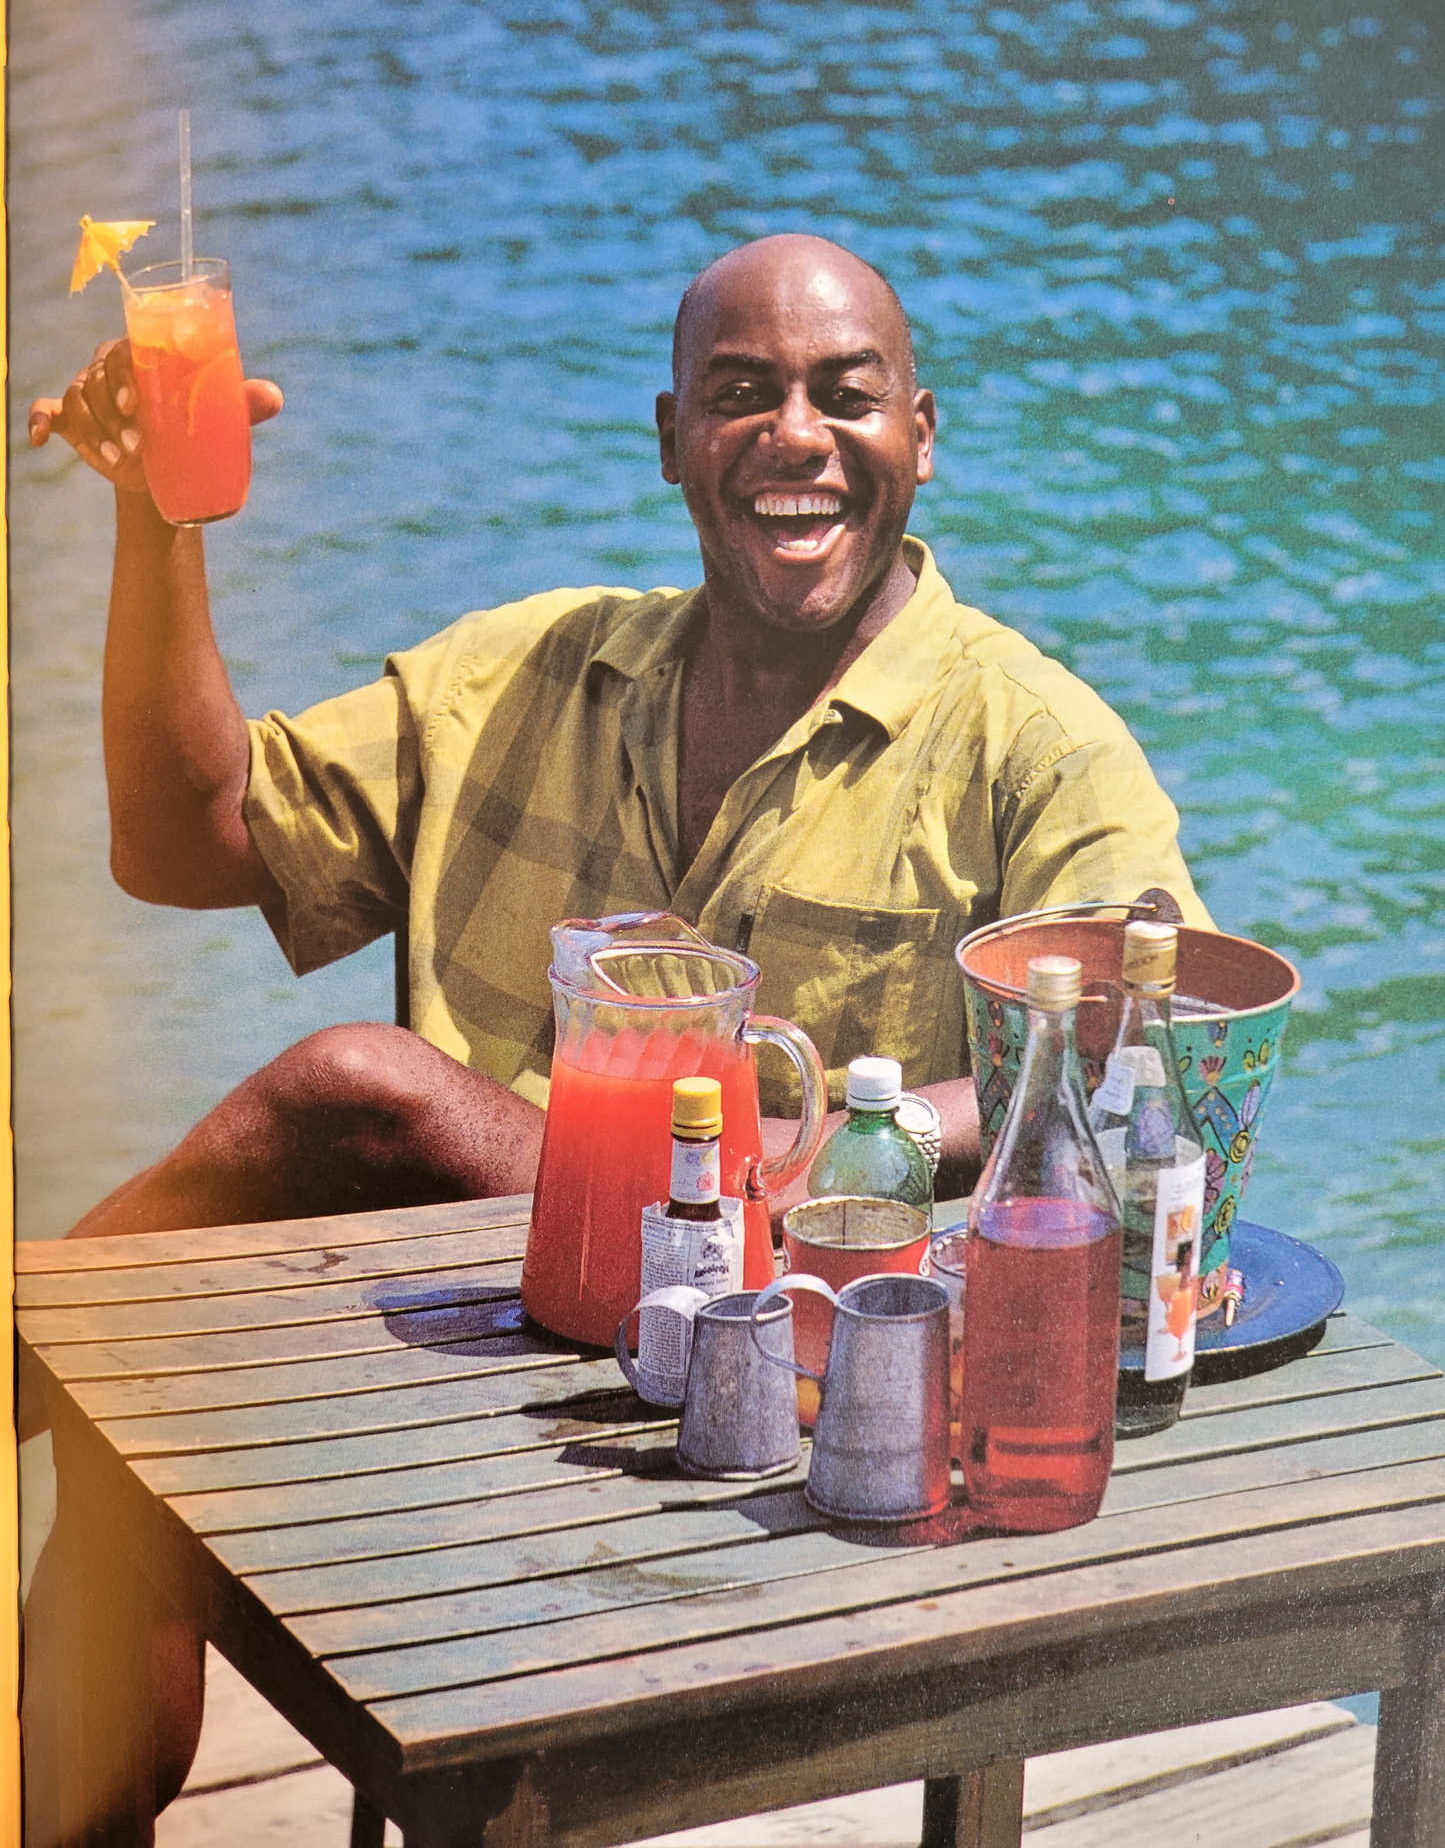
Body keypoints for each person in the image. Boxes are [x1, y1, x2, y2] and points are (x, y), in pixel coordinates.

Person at [24, 233, 1211, 1838]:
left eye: (846, 394)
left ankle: (25, 1360)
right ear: (670, 440)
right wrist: (157, 520)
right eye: (742, 394)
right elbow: (187, 837)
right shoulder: (531, 671)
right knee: (133, 1416)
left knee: (356, 1092)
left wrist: (856, 1131)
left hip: (772, 1359)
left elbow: (1144, 1022)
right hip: (479, 1342)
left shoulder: (1032, 743)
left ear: (921, 434)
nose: (796, 435)